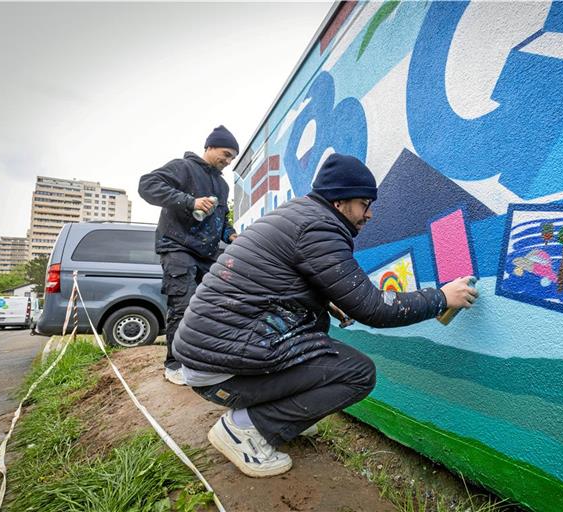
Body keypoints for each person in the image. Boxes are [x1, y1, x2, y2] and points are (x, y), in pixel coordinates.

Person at [173, 153, 478, 477]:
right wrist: (441, 297)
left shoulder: (300, 216)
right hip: (220, 370)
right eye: (364, 203)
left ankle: (278, 416)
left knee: (318, 341)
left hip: (214, 355)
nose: (369, 214)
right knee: (357, 372)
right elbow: (373, 308)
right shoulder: (318, 229)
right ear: (339, 202)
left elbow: (273, 284)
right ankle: (245, 428)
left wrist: (320, 301)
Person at [138, 125, 239, 385]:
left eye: (231, 158)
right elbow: (147, 185)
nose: (227, 162)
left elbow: (221, 219)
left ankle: (203, 360)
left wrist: (230, 234)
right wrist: (189, 201)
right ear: (209, 147)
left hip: (206, 253)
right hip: (177, 247)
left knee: (211, 307)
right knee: (182, 306)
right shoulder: (182, 167)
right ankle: (174, 364)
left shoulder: (223, 185)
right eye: (225, 154)